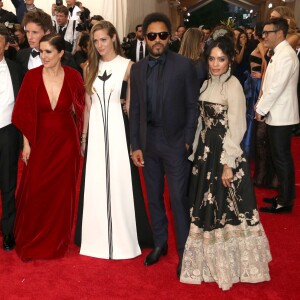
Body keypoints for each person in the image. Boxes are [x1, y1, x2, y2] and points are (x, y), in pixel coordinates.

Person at [180, 36, 271, 290]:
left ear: (230, 59)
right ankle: (211, 264)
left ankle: (234, 265)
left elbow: (238, 126)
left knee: (227, 208)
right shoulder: (206, 83)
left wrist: (228, 163)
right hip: (205, 154)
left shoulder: (233, 86)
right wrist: (194, 150)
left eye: (221, 59)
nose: (216, 64)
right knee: (206, 207)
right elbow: (201, 122)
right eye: (211, 59)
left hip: (223, 154)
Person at [130, 12, 198, 277]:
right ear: (144, 37)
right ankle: (160, 243)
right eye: (151, 36)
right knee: (154, 197)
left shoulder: (184, 66)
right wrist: (136, 144)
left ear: (170, 37)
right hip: (148, 143)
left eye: (162, 35)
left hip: (176, 143)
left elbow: (193, 106)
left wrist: (187, 141)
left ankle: (185, 252)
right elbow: (134, 110)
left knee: (179, 200)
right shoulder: (137, 69)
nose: (157, 40)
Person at [75, 20, 150, 260]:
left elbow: (133, 107)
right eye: (95, 41)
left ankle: (124, 235)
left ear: (114, 38)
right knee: (95, 181)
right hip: (96, 132)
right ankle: (95, 236)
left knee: (120, 181)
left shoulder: (129, 66)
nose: (99, 45)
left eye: (103, 40)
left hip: (119, 131)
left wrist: (134, 141)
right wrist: (84, 136)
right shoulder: (87, 67)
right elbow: (87, 106)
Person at [12, 33, 85, 261]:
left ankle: (56, 240)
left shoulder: (73, 76)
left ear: (61, 53)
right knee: (36, 189)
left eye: (48, 52)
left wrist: (82, 139)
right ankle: (33, 237)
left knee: (62, 194)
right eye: (41, 51)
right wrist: (26, 143)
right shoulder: (32, 77)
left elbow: (82, 109)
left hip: (66, 143)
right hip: (40, 141)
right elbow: (23, 111)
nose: (43, 56)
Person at [256, 18, 299, 214]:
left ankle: (285, 201)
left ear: (279, 33)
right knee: (279, 157)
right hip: (277, 113)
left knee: (282, 158)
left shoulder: (286, 56)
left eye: (267, 32)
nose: (264, 36)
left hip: (282, 114)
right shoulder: (280, 53)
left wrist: (260, 108)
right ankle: (283, 195)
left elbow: (276, 88)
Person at [0, 25, 22, 251]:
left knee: (8, 184)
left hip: (8, 133)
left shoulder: (16, 70)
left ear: (6, 46)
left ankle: (8, 231)